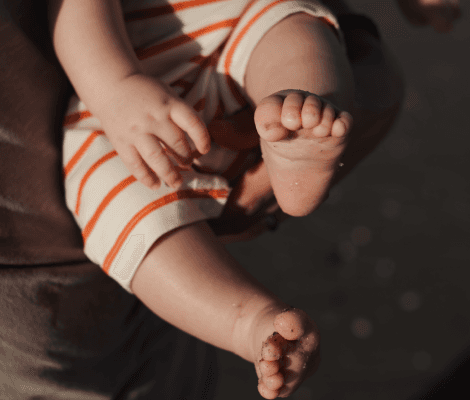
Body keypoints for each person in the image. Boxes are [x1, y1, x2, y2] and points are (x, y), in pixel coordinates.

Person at [0, 0, 459, 399]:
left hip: (224, 18)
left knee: (291, 32)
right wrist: (116, 88)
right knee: (115, 199)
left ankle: (297, 129)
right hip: (127, 89)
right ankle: (250, 321)